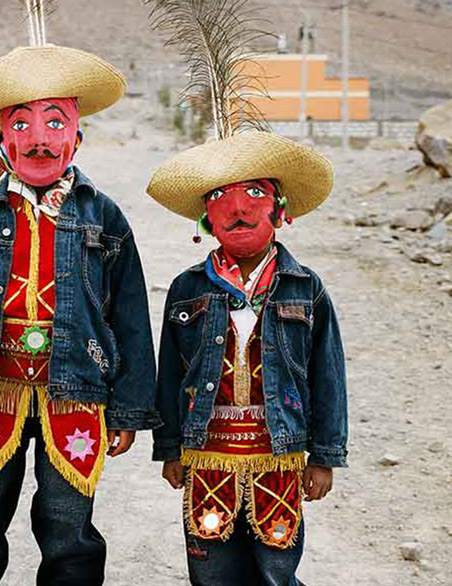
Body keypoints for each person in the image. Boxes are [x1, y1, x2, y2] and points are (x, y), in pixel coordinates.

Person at [0, 41, 159, 586]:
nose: (40, 139)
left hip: (76, 389)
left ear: (78, 136)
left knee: (68, 523)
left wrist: (129, 408)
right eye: (21, 125)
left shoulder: (106, 218)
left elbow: (132, 319)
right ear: (1, 141)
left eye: (55, 122)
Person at [147, 131, 348, 585]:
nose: (238, 209)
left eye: (254, 194)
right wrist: (170, 448)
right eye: (220, 197)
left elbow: (328, 375)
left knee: (275, 569)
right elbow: (171, 373)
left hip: (277, 455)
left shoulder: (306, 288)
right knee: (211, 570)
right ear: (205, 219)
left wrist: (324, 456)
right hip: (206, 455)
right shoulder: (187, 289)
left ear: (280, 211)